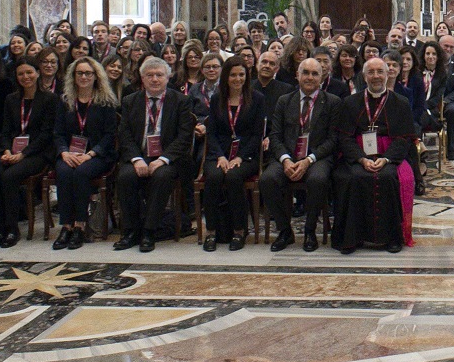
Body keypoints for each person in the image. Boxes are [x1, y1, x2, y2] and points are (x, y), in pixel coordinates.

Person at [113, 57, 196, 253]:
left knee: (162, 176)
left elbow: (184, 137)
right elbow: (124, 135)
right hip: (139, 156)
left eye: (159, 75)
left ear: (168, 78)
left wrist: (163, 159)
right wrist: (136, 159)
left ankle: (149, 231)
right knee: (125, 176)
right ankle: (131, 231)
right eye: (150, 75)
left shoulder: (181, 101)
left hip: (168, 158)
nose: (155, 79)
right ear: (142, 79)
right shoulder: (130, 101)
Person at [335, 56, 416, 254]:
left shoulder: (401, 102)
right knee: (353, 177)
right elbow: (344, 138)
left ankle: (392, 238)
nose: (376, 76)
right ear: (364, 76)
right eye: (371, 72)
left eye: (380, 71)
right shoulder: (350, 102)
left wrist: (386, 158)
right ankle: (352, 238)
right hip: (358, 154)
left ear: (388, 74)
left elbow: (404, 138)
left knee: (388, 176)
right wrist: (361, 159)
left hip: (389, 155)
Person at [0, 56, 61, 249]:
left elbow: (46, 134)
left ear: (37, 73)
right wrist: (7, 150)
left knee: (9, 176)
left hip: (37, 152)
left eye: (29, 72)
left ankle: (11, 228)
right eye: (21, 74)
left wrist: (23, 153)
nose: (25, 77)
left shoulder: (50, 99)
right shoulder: (11, 99)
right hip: (12, 150)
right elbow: (6, 130)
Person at [263, 57, 341, 251]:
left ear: (322, 77)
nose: (309, 77)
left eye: (315, 73)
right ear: (297, 76)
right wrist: (286, 160)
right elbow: (275, 135)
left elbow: (333, 139)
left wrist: (308, 160)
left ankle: (309, 231)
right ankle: (285, 231)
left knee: (317, 180)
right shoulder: (284, 101)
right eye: (305, 72)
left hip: (317, 158)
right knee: (267, 179)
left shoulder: (332, 102)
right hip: (287, 157)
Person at [52, 57, 120, 250]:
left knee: (81, 173)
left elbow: (109, 136)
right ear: (73, 76)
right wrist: (64, 153)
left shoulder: (105, 101)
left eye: (88, 73)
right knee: (64, 172)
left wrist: (90, 154)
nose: (84, 77)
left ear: (96, 76)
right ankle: (66, 226)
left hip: (98, 155)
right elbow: (57, 133)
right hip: (70, 153)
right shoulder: (65, 101)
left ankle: (80, 226)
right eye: (79, 73)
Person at [200, 55, 266, 251]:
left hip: (246, 155)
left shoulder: (257, 99)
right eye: (233, 75)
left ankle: (239, 230)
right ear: (226, 77)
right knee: (213, 176)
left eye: (242, 75)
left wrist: (240, 157)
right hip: (219, 154)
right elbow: (211, 132)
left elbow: (256, 135)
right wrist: (220, 155)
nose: (238, 79)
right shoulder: (216, 99)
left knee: (234, 177)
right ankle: (211, 231)